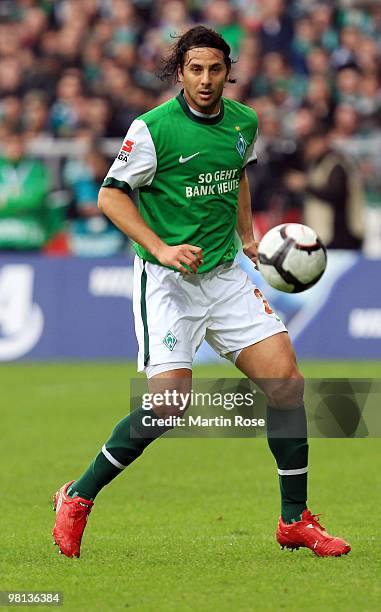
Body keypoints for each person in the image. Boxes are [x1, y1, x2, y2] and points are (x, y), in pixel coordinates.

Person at [52, 26, 351, 559]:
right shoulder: (152, 130)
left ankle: (294, 520)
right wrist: (162, 248)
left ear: (227, 70)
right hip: (167, 282)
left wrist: (247, 236)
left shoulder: (244, 122)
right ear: (179, 73)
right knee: (168, 405)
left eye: (215, 69)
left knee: (286, 384)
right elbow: (111, 198)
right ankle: (77, 495)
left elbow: (235, 176)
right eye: (196, 70)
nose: (206, 80)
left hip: (225, 276)